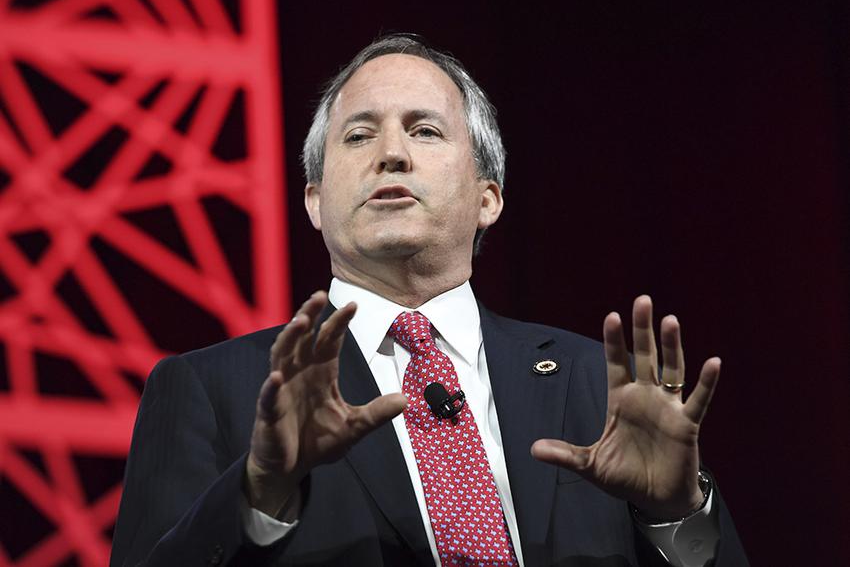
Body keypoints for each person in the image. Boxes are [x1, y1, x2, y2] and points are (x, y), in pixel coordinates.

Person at [111, 35, 748, 566]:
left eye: (424, 130)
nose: (391, 153)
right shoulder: (212, 388)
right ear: (313, 200)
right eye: (359, 137)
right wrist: (259, 490)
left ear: (487, 198)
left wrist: (678, 514)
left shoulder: (595, 385)